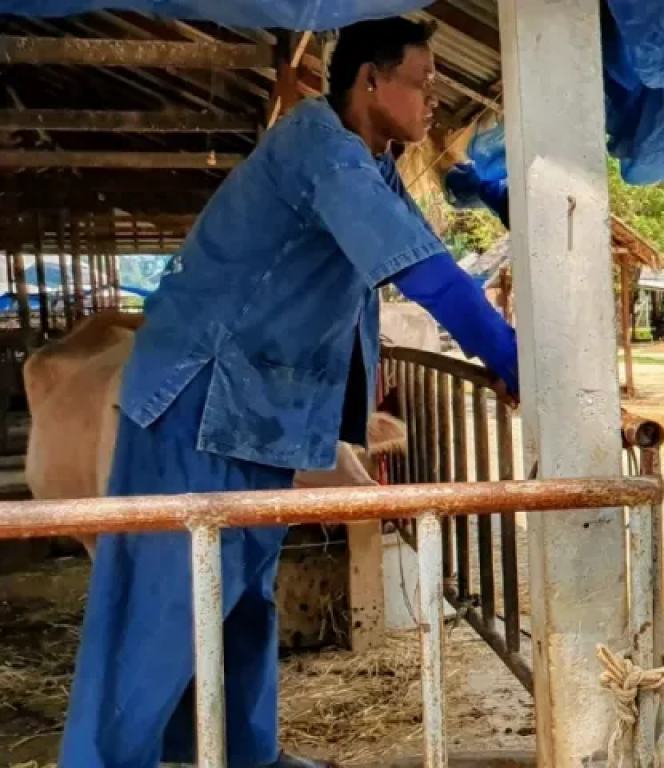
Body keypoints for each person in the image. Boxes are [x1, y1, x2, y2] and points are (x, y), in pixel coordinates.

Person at [60, 17, 519, 768]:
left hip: (254, 414)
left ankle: (243, 754)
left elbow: (409, 255)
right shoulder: (320, 151)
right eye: (424, 84)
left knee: (240, 599)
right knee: (162, 608)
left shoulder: (367, 165)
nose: (433, 100)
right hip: (200, 401)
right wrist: (512, 359)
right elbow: (426, 272)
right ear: (371, 82)